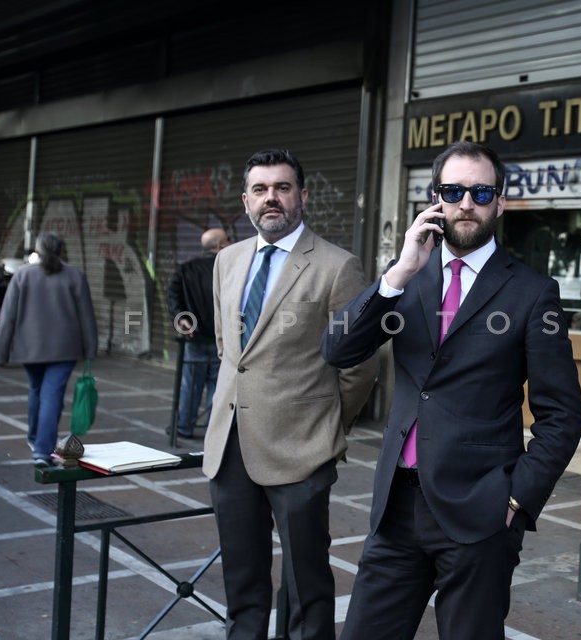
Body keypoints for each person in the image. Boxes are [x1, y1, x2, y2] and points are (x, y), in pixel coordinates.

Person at [321, 141, 581, 639]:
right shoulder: (409, 279)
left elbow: (563, 414)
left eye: (481, 192)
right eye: (453, 190)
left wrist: (515, 502)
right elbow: (337, 350)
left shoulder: (531, 292)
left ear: (500, 203)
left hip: (480, 514)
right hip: (396, 508)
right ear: (436, 200)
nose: (467, 203)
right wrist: (397, 273)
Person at [203, 148, 378, 639]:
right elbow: (228, 348)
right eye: (260, 190)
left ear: (303, 195)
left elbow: (359, 364)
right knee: (243, 583)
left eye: (282, 187)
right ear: (246, 201)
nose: (271, 199)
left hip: (302, 448)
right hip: (231, 446)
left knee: (306, 587)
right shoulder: (228, 260)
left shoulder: (337, 266)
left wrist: (327, 427)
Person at [0, 232, 98, 467]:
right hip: (65, 348)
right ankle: (42, 450)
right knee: (52, 395)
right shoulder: (74, 276)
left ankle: (35, 439)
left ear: (37, 251)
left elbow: (7, 317)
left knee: (37, 391)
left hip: (29, 348)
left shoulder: (23, 275)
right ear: (61, 251)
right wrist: (91, 349)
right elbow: (86, 316)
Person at [166, 227, 230, 438]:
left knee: (190, 386)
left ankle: (184, 427)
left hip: (194, 339)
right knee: (218, 388)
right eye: (228, 240)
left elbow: (172, 296)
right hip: (224, 341)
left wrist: (180, 318)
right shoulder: (230, 268)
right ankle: (215, 431)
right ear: (220, 245)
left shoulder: (185, 269)